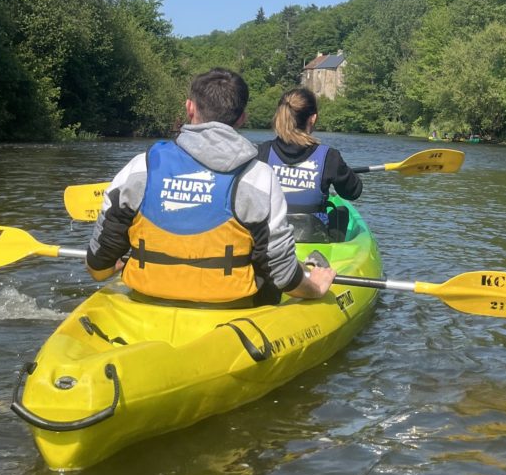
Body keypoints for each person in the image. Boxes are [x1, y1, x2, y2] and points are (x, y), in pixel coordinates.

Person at [86, 67, 335, 305]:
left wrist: (112, 265)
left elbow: (97, 268)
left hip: (146, 300)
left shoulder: (140, 168)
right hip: (234, 307)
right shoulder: (259, 178)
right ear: (241, 118)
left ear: (189, 108)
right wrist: (315, 287)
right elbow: (283, 275)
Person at [257, 86, 362, 242]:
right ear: (312, 119)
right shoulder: (329, 157)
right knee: (341, 211)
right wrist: (342, 172)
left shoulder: (262, 152)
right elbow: (353, 192)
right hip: (313, 237)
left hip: (271, 236)